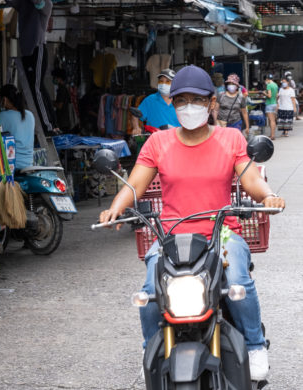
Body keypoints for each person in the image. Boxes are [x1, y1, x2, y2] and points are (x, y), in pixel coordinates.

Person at [99, 65, 285, 382]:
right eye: (181, 99)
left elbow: (250, 178)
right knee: (149, 291)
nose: (189, 106)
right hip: (171, 235)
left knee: (238, 279)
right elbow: (133, 186)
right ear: (172, 103)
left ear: (211, 102)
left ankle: (254, 346)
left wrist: (268, 195)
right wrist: (115, 209)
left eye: (196, 100)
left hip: (222, 233)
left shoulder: (231, 138)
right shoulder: (158, 143)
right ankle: (151, 349)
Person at [11, 0, 58, 135]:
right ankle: (51, 123)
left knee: (36, 88)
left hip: (38, 49)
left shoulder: (46, 4)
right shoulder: (24, 4)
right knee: (37, 88)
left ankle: (47, 126)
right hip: (27, 51)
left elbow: (38, 2)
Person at [132, 69, 180, 134]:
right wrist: (136, 128)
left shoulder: (180, 101)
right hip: (154, 139)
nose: (163, 84)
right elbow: (135, 115)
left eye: (167, 81)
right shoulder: (150, 100)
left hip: (175, 139)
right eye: (161, 81)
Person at [0, 84, 35, 170]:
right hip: (28, 164)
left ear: (5, 99)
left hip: (12, 166)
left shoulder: (2, 116)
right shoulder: (30, 115)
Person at [52, 68, 72, 133]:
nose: (54, 79)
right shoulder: (65, 88)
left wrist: (50, 102)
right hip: (65, 121)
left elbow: (60, 106)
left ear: (59, 78)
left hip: (63, 122)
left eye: (55, 77)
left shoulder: (62, 89)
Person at [262, 74, 278, 140]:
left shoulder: (269, 85)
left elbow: (269, 95)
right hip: (274, 103)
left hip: (269, 104)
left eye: (266, 80)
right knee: (273, 120)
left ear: (267, 79)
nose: (266, 81)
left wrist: (264, 93)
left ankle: (272, 135)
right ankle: (272, 134)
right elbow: (277, 95)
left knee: (271, 120)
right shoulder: (275, 85)